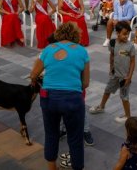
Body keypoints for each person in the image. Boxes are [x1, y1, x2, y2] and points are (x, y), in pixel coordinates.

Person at [30, 22, 90, 170]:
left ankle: (52, 168)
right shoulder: (82, 51)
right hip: (72, 100)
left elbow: (33, 75)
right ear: (76, 35)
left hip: (49, 98)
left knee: (51, 135)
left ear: (59, 33)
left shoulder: (48, 49)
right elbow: (85, 83)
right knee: (75, 138)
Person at [90, 21, 135, 123]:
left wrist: (129, 76)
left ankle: (128, 116)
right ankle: (101, 107)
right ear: (117, 33)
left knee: (124, 97)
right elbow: (112, 55)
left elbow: (133, 62)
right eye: (124, 34)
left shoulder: (130, 46)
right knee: (107, 90)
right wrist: (111, 68)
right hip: (114, 74)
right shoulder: (112, 43)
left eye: (127, 33)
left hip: (125, 77)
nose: (126, 36)